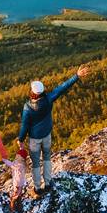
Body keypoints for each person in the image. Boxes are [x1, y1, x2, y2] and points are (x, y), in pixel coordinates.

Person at [18, 64, 90, 196]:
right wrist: (76, 76)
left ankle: (38, 188)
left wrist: (20, 139)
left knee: (35, 163)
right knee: (46, 158)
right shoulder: (49, 99)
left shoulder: (27, 107)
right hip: (47, 135)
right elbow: (62, 88)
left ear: (32, 92)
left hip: (34, 138)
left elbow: (25, 125)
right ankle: (48, 183)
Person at [1, 143, 28, 213]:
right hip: (21, 182)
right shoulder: (22, 163)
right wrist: (21, 148)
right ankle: (19, 206)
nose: (16, 156)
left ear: (20, 157)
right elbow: (22, 153)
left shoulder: (18, 165)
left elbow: (10, 164)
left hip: (17, 183)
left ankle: (12, 207)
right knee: (19, 194)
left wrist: (4, 159)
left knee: (15, 195)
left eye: (17, 155)